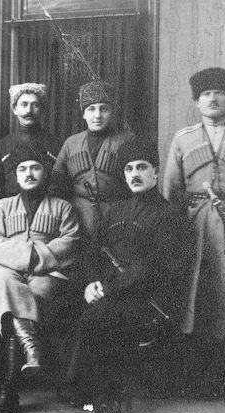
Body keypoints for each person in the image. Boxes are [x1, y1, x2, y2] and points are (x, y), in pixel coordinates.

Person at [65, 137, 184, 413]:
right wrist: (90, 284)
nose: (134, 174)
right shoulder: (115, 210)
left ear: (155, 171)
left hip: (148, 297)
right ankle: (77, 389)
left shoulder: (168, 215)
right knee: (67, 304)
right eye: (129, 168)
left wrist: (107, 288)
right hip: (111, 290)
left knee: (100, 318)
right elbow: (95, 254)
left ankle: (106, 397)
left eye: (141, 167)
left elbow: (154, 267)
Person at [163, 67, 225, 397]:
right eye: (206, 94)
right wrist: (174, 231)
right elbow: (171, 189)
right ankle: (195, 373)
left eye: (219, 92)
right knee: (196, 289)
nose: (213, 98)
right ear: (197, 101)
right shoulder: (183, 139)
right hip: (195, 221)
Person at [0, 148, 79, 413]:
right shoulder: (3, 206)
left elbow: (69, 241)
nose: (29, 173)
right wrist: (22, 257)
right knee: (1, 275)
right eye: (22, 169)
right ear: (15, 175)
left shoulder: (62, 207)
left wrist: (34, 257)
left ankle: (9, 393)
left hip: (47, 276)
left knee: (13, 298)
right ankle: (30, 352)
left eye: (35, 168)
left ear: (44, 173)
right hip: (11, 274)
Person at [48, 80, 134, 279]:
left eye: (104, 109)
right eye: (91, 109)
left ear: (111, 112)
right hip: (78, 217)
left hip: (117, 215)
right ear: (84, 113)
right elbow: (56, 185)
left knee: (113, 271)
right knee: (80, 272)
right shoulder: (71, 143)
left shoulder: (127, 140)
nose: (97, 115)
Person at [0, 83, 61, 201]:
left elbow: (60, 185)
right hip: (10, 212)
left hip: (48, 210)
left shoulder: (55, 143)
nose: (29, 110)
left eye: (35, 105)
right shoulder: (4, 144)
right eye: (24, 104)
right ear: (14, 109)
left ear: (42, 109)